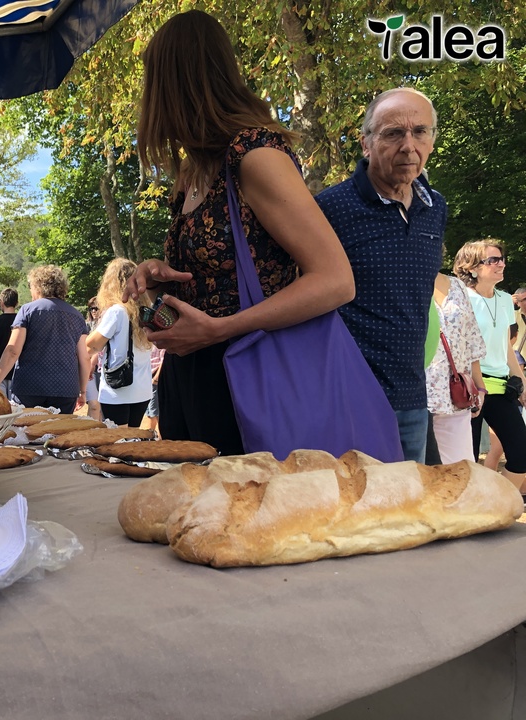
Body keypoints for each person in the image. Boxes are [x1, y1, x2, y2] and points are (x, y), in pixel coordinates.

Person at [124, 10, 354, 456]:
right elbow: (215, 281)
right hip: (192, 381)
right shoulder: (192, 170)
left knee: (243, 498)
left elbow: (336, 280)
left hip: (250, 381)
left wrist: (220, 329)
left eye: (152, 82)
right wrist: (159, 277)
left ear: (174, 84)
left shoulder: (255, 155)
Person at [315, 88, 447, 462]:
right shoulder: (330, 208)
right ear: (366, 144)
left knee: (408, 497)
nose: (408, 145)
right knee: (348, 497)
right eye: (393, 133)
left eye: (420, 132)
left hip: (413, 396)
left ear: (432, 140)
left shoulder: (435, 207)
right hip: (347, 398)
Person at [454, 240, 526, 491]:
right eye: (493, 260)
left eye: (502, 259)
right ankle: (471, 510)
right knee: (469, 461)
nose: (501, 264)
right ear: (472, 267)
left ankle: (498, 504)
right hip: (470, 388)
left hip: (502, 387)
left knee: (521, 453)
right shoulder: (462, 298)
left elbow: (506, 347)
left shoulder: (505, 299)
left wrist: (523, 383)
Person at [0, 265, 89, 413]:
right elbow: (84, 357)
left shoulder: (27, 310)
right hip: (66, 388)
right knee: (60, 428)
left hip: (30, 387)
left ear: (38, 286)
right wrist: (83, 391)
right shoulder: (77, 316)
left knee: (27, 427)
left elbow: (12, 351)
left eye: (31, 286)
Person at [425, 273, 487, 464]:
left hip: (456, 394)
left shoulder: (458, 286)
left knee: (461, 468)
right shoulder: (405, 280)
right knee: (421, 471)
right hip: (418, 395)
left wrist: (480, 386)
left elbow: (471, 339)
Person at [87, 259, 153, 427]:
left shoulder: (117, 311)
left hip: (118, 389)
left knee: (118, 439)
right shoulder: (146, 310)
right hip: (142, 388)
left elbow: (91, 346)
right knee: (132, 437)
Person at [82, 296, 103, 421]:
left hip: (103, 369)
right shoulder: (86, 326)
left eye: (96, 308)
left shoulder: (107, 325)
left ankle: (99, 429)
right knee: (94, 404)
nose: (94, 311)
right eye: (91, 309)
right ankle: (91, 429)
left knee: (102, 406)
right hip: (88, 368)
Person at [144, 345, 166, 437]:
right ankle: (151, 435)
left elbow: (163, 361)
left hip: (154, 376)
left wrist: (156, 378)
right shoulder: (145, 342)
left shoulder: (160, 344)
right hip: (145, 377)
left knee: (154, 410)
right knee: (149, 411)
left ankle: (161, 436)